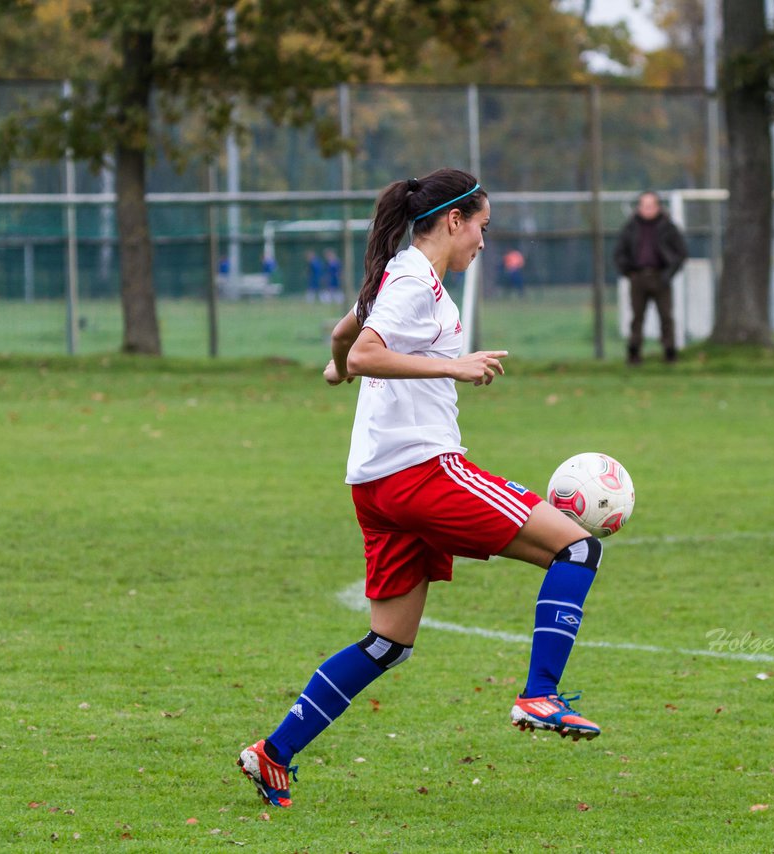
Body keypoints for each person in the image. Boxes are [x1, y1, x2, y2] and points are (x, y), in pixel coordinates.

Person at [237, 168, 606, 809]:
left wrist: (336, 368)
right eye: (482, 229)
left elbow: (345, 338)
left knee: (388, 643)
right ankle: (539, 695)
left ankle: (272, 754)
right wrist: (450, 365)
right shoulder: (412, 278)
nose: (484, 244)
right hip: (421, 472)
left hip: (377, 486)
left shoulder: (397, 275)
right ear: (455, 220)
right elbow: (370, 349)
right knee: (576, 549)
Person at [613, 191, 688, 365]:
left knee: (666, 317)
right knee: (637, 317)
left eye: (650, 205)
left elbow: (680, 253)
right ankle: (634, 352)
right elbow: (619, 253)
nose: (647, 209)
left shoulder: (668, 227)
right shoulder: (631, 227)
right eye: (643, 205)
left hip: (660, 277)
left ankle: (670, 353)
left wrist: (668, 274)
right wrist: (629, 272)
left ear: (658, 207)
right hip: (637, 277)